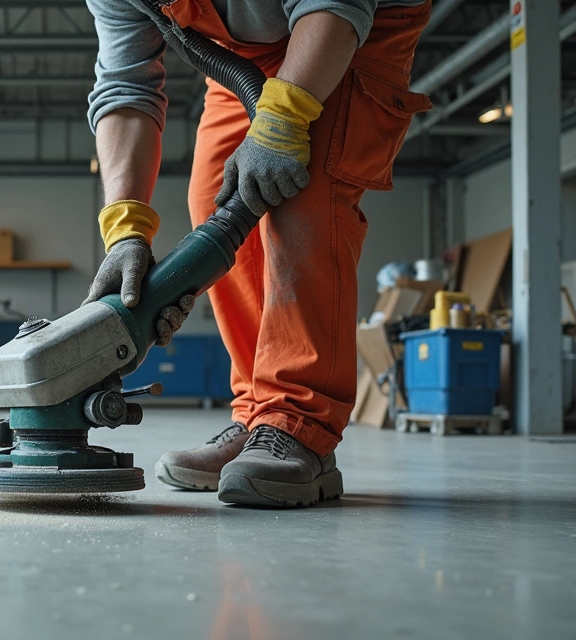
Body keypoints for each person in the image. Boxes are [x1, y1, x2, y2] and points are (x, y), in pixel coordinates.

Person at [83, 0, 432, 507]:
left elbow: (334, 5)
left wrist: (283, 120)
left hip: (349, 24)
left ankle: (301, 426)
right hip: (247, 52)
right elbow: (126, 86)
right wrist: (125, 229)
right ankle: (258, 416)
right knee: (214, 197)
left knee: (302, 196)